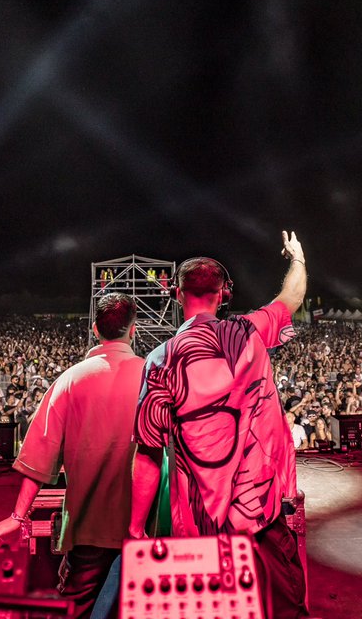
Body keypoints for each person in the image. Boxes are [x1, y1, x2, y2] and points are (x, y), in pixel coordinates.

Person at [131, 231, 308, 619]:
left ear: (177, 295)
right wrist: (297, 257)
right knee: (284, 606)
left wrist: (136, 528)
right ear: (225, 293)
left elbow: (147, 453)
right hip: (261, 511)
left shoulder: (160, 360)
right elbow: (291, 297)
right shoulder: (249, 333)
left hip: (198, 525)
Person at [0, 293, 144, 619]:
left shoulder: (70, 380)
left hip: (88, 526)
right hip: (147, 524)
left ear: (95, 330)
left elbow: (39, 457)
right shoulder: (152, 376)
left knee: (77, 608)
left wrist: (17, 517)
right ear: (134, 330)